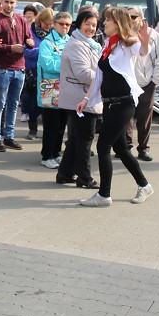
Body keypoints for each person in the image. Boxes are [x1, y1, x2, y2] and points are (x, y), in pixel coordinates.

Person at [75, 6, 154, 205]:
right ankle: (144, 185)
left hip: (123, 103)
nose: (104, 23)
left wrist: (145, 44)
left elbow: (142, 51)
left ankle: (104, 194)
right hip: (110, 104)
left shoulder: (128, 44)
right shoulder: (108, 46)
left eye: (108, 21)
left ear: (118, 23)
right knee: (121, 149)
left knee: (103, 146)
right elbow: (99, 76)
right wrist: (86, 99)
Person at [56, 10, 101, 188]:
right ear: (80, 24)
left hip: (83, 97)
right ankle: (84, 178)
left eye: (94, 25)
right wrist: (104, 77)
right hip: (80, 98)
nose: (91, 28)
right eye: (87, 24)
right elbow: (83, 73)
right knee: (85, 139)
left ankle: (64, 173)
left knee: (76, 138)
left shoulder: (89, 44)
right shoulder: (77, 45)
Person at [0, 0, 32, 151]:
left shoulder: (21, 20)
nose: (8, 5)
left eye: (12, 2)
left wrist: (30, 43)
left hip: (19, 67)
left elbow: (29, 39)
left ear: (16, 2)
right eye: (5, 2)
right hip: (3, 68)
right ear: (2, 3)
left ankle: (9, 136)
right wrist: (10, 48)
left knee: (14, 104)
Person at [128, 7, 159, 162]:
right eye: (127, 17)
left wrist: (154, 80)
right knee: (126, 118)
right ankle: (126, 148)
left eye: (134, 16)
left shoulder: (153, 35)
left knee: (144, 119)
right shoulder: (124, 34)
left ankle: (143, 148)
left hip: (146, 83)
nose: (131, 20)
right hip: (128, 83)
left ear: (141, 18)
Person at [35, 10, 69, 168]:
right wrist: (67, 66)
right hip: (50, 88)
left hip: (66, 88)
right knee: (51, 124)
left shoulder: (69, 40)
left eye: (68, 24)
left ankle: (56, 153)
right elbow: (47, 65)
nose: (65, 27)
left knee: (62, 123)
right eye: (61, 24)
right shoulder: (46, 43)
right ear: (54, 25)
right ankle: (46, 155)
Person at [21, 7, 52, 141]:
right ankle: (32, 129)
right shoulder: (30, 32)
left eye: (51, 23)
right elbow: (26, 52)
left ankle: (47, 130)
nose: (49, 26)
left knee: (47, 104)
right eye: (47, 23)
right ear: (40, 20)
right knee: (33, 103)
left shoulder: (53, 34)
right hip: (33, 72)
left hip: (48, 73)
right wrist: (43, 51)